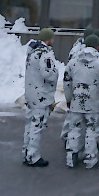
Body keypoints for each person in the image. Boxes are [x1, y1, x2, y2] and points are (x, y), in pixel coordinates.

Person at [63, 34, 99, 169]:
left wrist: (68, 99)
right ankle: (90, 158)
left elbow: (67, 81)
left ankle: (71, 156)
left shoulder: (73, 61)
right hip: (93, 102)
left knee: (75, 129)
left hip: (76, 101)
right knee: (92, 129)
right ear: (97, 46)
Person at [22, 27, 59, 167]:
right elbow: (48, 73)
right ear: (49, 39)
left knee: (30, 124)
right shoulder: (45, 54)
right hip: (41, 95)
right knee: (37, 125)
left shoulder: (32, 53)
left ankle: (26, 153)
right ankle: (33, 156)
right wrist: (56, 73)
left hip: (31, 93)